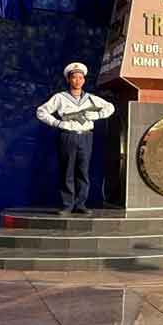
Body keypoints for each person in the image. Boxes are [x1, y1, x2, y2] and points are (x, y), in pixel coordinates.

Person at [35, 62, 115, 215]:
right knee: (67, 172)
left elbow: (110, 107)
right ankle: (67, 205)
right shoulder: (60, 97)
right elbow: (41, 111)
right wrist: (57, 123)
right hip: (68, 136)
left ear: (84, 80)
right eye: (74, 77)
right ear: (69, 79)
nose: (77, 80)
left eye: (80, 77)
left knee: (83, 172)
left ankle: (80, 204)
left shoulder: (91, 99)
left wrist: (98, 115)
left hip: (86, 136)